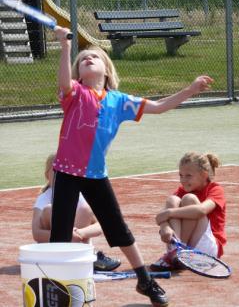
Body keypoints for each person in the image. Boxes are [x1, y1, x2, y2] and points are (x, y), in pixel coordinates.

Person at [50, 26, 214, 307]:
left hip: (95, 175)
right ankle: (55, 286)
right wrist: (66, 48)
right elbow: (65, 82)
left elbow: (161, 107)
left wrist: (190, 89)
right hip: (66, 171)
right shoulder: (74, 93)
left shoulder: (119, 101)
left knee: (119, 230)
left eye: (94, 56)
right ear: (78, 72)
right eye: (83, 59)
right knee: (60, 233)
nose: (87, 58)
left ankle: (144, 280)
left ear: (107, 70)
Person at [32, 153, 121, 271]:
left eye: (66, 172)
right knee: (50, 210)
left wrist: (80, 233)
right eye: (57, 171)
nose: (62, 176)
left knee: (85, 209)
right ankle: (64, 256)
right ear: (47, 175)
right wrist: (66, 235)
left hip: (78, 245)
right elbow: (36, 233)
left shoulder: (82, 196)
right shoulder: (44, 198)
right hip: (53, 250)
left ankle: (84, 257)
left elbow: (100, 225)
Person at [150, 151, 226, 272]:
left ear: (204, 174)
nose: (183, 180)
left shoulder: (215, 189)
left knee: (189, 199)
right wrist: (164, 226)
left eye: (188, 176)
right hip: (189, 247)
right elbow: (160, 217)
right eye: (181, 175)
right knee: (172, 200)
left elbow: (201, 210)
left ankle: (179, 251)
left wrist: (168, 214)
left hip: (208, 248)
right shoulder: (181, 190)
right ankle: (175, 253)